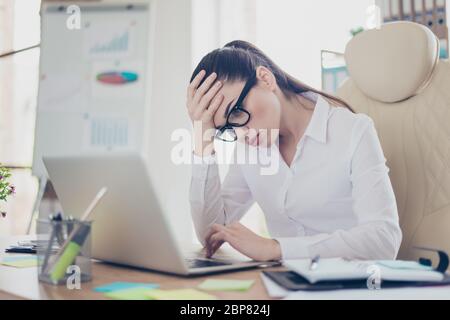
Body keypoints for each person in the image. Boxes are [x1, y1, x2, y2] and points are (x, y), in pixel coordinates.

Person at [186, 40, 402, 262]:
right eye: (228, 129)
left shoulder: (352, 131)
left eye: (238, 113)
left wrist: (277, 249)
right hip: (284, 287)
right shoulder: (249, 147)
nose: (241, 134)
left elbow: (384, 239)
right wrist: (203, 134)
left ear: (266, 79)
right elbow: (210, 234)